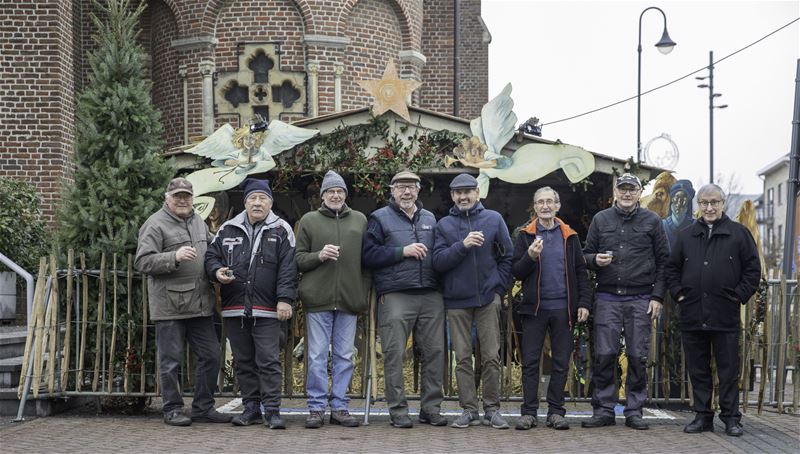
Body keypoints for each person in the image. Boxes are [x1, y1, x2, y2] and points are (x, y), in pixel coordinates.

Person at [665, 184, 760, 437]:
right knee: (698, 370)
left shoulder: (739, 234)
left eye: (714, 202)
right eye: (704, 203)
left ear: (723, 204)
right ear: (698, 205)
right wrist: (679, 294)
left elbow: (753, 270)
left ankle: (731, 419)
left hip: (725, 314)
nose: (709, 208)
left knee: (728, 371)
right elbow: (671, 269)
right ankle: (702, 417)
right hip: (692, 313)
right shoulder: (686, 236)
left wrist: (739, 295)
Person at [135, 177, 231, 426]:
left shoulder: (198, 221)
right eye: (177, 196)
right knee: (171, 362)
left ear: (192, 199)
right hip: (170, 308)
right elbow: (143, 262)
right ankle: (172, 409)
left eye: (186, 196)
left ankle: (202, 407)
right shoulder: (155, 224)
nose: (182, 200)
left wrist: (217, 269)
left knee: (211, 355)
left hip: (199, 305)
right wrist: (173, 257)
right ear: (167, 199)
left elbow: (211, 250)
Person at [205, 178, 297, 429]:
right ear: (245, 202)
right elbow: (211, 257)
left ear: (270, 202)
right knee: (243, 362)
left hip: (268, 309)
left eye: (262, 198)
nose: (257, 203)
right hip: (235, 307)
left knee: (268, 361)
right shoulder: (227, 229)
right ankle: (251, 408)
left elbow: (288, 269)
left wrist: (285, 300)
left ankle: (273, 411)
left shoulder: (282, 230)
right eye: (252, 198)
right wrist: (216, 272)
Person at [581, 173, 669, 430]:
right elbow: (585, 255)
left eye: (632, 189)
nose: (627, 193)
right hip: (608, 295)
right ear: (616, 192)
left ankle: (634, 410)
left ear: (640, 192)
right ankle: (604, 409)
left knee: (637, 355)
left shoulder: (653, 221)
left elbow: (664, 262)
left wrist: (657, 296)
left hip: (641, 297)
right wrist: (595, 259)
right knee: (605, 355)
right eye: (623, 189)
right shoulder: (601, 219)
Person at [361, 170, 447, 429]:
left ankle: (430, 408)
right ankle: (398, 410)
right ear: (392, 191)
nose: (406, 192)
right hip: (396, 293)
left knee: (435, 353)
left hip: (431, 294)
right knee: (394, 353)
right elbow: (368, 255)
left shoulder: (431, 218)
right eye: (401, 187)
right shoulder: (379, 218)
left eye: (411, 187)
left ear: (419, 190)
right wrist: (402, 251)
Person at [432, 173, 513, 430]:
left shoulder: (493, 219)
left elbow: (508, 256)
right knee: (463, 358)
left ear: (477, 193)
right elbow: (438, 262)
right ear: (453, 196)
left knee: (490, 356)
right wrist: (463, 245)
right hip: (456, 301)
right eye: (458, 192)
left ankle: (491, 409)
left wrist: (498, 288)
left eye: (468, 191)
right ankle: (468, 409)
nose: (463, 196)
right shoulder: (443, 225)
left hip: (488, 299)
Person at [511, 186, 591, 431]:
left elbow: (580, 271)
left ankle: (556, 411)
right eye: (540, 202)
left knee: (560, 363)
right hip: (534, 309)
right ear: (534, 207)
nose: (545, 206)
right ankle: (529, 412)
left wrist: (584, 303)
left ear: (557, 206)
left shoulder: (570, 235)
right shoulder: (525, 235)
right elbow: (516, 271)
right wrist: (530, 257)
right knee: (531, 362)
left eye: (549, 202)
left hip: (563, 308)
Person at [295, 170, 368, 429]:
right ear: (323, 196)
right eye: (330, 191)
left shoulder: (359, 220)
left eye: (340, 191)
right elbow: (298, 259)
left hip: (348, 300)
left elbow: (366, 262)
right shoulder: (309, 220)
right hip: (318, 300)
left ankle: (339, 406)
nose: (335, 195)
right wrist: (319, 256)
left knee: (345, 356)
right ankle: (316, 408)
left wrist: (361, 292)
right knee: (315, 356)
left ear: (345, 195)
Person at [662, 179, 695, 249]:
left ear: (688, 202)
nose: (679, 202)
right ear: (672, 199)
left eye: (684, 198)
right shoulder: (661, 225)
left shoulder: (695, 226)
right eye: (677, 197)